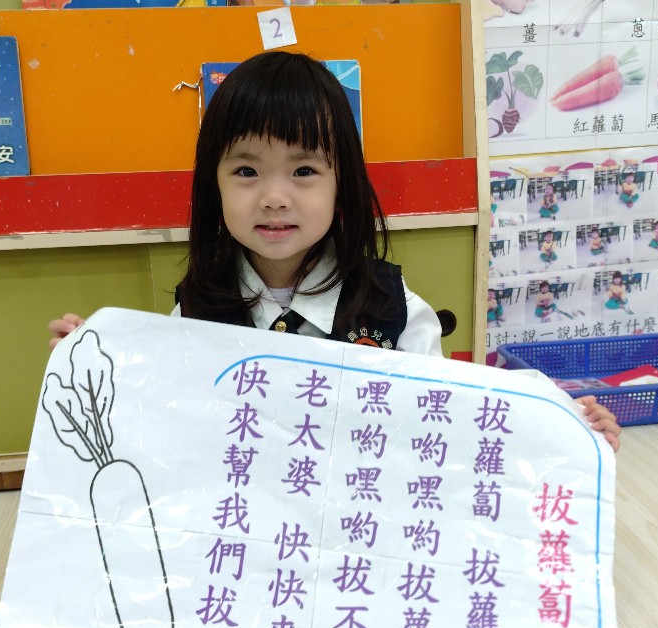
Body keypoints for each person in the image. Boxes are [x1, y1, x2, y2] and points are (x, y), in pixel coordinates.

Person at [49, 51, 620, 448]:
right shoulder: (196, 309)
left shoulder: (395, 310)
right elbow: (164, 418)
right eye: (246, 171)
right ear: (212, 186)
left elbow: (450, 417)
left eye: (304, 171)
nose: (274, 197)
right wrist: (99, 364)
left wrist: (562, 428)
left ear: (340, 184)